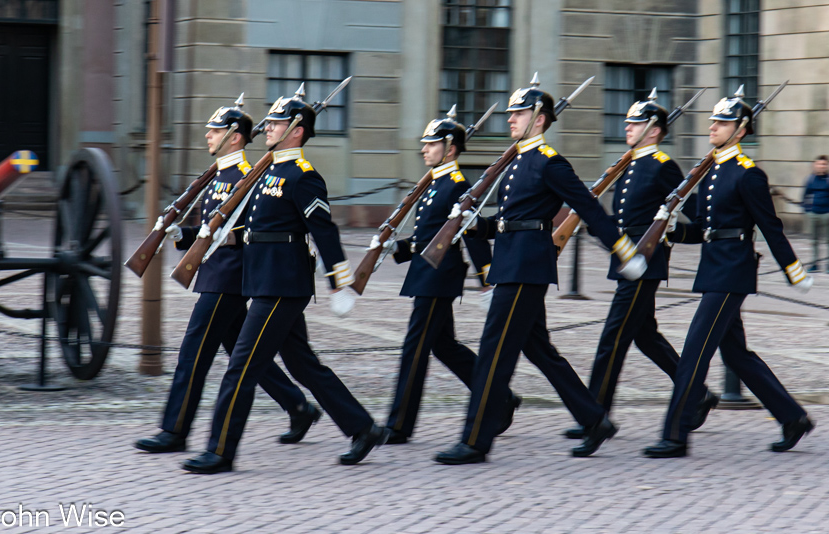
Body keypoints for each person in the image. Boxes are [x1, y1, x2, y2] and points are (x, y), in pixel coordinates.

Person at [433, 79, 648, 465]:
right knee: (542, 352)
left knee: (493, 355)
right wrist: (474, 224)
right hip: (512, 263)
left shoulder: (549, 161)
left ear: (540, 119)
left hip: (526, 269)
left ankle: (474, 440)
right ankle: (594, 418)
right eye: (511, 113)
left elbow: (589, 207)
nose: (511, 119)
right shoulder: (517, 159)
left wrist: (621, 249)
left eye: (518, 113)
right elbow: (509, 220)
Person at [182, 91, 388, 474]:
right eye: (270, 122)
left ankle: (220, 450)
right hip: (262, 280)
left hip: (283, 285)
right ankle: (363, 428)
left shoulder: (302, 177)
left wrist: (339, 281)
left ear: (296, 131)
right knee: (303, 365)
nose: (267, 128)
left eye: (276, 123)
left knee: (240, 367)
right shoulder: (266, 172)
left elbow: (324, 231)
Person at [134, 98, 320, 456]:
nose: (208, 135)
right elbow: (210, 228)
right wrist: (178, 234)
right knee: (241, 355)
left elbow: (241, 232)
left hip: (229, 278)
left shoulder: (246, 177)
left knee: (193, 354)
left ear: (235, 137)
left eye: (216, 130)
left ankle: (175, 431)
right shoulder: (220, 174)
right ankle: (298, 406)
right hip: (219, 274)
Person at [643, 89, 815, 459]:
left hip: (733, 270)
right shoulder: (712, 170)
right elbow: (703, 228)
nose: (712, 127)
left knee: (694, 351)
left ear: (740, 130)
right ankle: (793, 417)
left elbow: (770, 226)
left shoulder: (748, 174)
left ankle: (675, 434)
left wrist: (793, 269)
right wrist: (672, 229)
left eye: (721, 122)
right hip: (713, 267)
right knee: (736, 355)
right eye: (713, 121)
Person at [563, 90, 717, 440]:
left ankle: (595, 415)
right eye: (628, 122)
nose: (627, 127)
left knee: (613, 338)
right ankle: (697, 393)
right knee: (645, 337)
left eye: (634, 123)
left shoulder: (663, 166)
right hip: (627, 259)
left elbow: (691, 210)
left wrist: (693, 232)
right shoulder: (631, 163)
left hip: (645, 261)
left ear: (653, 129)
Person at [372, 110, 520, 445]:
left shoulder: (456, 185)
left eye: (431, 144)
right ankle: (500, 397)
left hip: (438, 276)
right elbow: (429, 235)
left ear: (450, 148)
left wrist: (488, 278)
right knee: (444, 347)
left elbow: (469, 232)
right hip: (427, 272)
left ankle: (398, 424)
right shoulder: (436, 181)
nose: (424, 149)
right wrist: (394, 248)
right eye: (424, 144)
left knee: (415, 347)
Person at [802, 155, 829, 273]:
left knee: (828, 240)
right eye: (819, 164)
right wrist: (807, 210)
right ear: (815, 165)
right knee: (814, 240)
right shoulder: (811, 179)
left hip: (826, 214)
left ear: (827, 166)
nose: (821, 166)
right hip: (813, 213)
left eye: (824, 164)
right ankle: (814, 263)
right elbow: (805, 195)